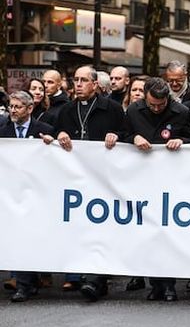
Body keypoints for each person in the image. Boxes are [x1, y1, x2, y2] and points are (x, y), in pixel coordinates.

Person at [45, 66, 126, 302]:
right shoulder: (67, 109)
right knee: (80, 228)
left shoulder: (111, 108)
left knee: (100, 228)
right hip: (75, 179)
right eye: (76, 80)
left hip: (103, 179)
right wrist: (59, 135)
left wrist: (117, 136)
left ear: (95, 85)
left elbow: (124, 132)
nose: (78, 84)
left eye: (83, 80)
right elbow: (56, 131)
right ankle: (86, 276)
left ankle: (96, 279)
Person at [115, 77, 190, 303]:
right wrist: (134, 138)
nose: (157, 109)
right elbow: (122, 135)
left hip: (170, 180)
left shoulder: (179, 112)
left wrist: (181, 141)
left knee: (167, 234)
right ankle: (154, 284)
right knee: (147, 234)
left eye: (161, 105)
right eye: (152, 105)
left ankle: (169, 284)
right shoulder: (133, 110)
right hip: (142, 179)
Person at [3, 90, 54, 303]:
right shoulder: (2, 131)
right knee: (17, 236)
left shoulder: (45, 130)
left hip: (37, 192)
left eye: (18, 107)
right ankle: (23, 284)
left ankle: (31, 279)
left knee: (32, 236)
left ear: (30, 108)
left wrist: (53, 145)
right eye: (11, 107)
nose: (13, 111)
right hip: (9, 193)